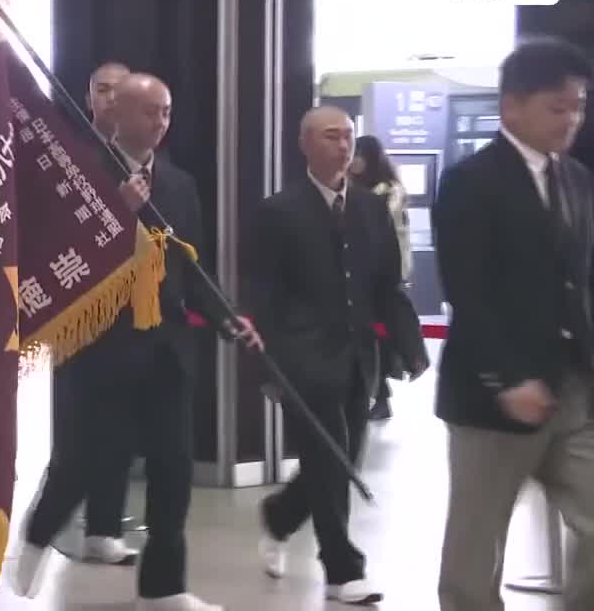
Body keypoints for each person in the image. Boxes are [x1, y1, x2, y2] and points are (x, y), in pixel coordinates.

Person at [14, 73, 260, 611]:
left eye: (166, 112)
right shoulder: (79, 174)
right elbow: (56, 257)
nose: (160, 122)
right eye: (149, 111)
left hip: (166, 349)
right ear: (116, 114)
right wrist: (116, 213)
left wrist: (227, 317)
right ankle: (35, 539)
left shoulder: (178, 184)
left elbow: (192, 268)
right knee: (83, 462)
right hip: (99, 348)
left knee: (173, 471)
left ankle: (163, 587)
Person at [434, 38, 594, 611]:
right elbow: (469, 293)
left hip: (572, 392)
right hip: (494, 400)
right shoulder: (471, 181)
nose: (571, 119)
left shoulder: (576, 179)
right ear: (511, 107)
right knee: (476, 550)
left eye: (579, 106)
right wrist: (507, 378)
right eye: (558, 107)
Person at [249, 106, 427, 606]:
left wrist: (409, 346)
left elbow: (387, 285)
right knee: (329, 462)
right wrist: (269, 367)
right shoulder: (278, 211)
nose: (344, 145)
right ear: (305, 143)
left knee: (340, 460)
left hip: (358, 358)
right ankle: (342, 570)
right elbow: (264, 295)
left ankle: (280, 516)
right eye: (331, 136)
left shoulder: (371, 208)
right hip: (303, 357)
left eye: (349, 136)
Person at [50, 60, 138, 566]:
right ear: (88, 99)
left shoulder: (144, 158)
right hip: (77, 312)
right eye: (102, 90)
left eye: (120, 91)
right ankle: (55, 520)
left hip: (133, 313)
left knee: (120, 424)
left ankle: (105, 527)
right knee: (77, 426)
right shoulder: (69, 154)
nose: (111, 98)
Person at [348, 135, 412, 421]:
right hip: (362, 272)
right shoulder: (354, 188)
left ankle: (381, 395)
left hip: (385, 273)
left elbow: (388, 235)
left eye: (359, 154)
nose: (354, 160)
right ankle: (376, 393)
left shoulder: (387, 191)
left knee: (380, 336)